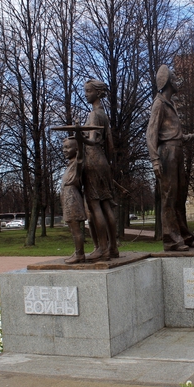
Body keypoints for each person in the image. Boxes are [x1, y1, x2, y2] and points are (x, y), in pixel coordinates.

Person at [146, 65, 194, 252]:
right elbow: (151, 134)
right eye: (175, 78)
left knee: (179, 197)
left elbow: (173, 134)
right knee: (169, 198)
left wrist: (191, 136)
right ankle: (171, 239)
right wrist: (155, 160)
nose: (178, 81)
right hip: (166, 154)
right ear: (169, 81)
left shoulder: (171, 104)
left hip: (176, 151)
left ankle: (184, 236)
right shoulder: (159, 104)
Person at [79, 79, 118, 262]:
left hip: (93, 161)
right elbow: (109, 145)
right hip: (103, 162)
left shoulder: (94, 114)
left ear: (97, 92)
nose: (86, 94)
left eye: (88, 91)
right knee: (106, 205)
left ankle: (102, 247)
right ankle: (113, 248)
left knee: (95, 206)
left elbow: (93, 140)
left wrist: (81, 136)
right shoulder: (104, 114)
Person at [60, 137, 86, 264]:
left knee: (76, 228)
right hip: (67, 197)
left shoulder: (78, 161)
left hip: (72, 198)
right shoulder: (70, 164)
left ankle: (80, 254)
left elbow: (81, 153)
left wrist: (77, 133)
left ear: (76, 149)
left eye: (68, 147)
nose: (64, 150)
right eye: (64, 147)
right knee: (72, 228)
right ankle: (77, 251)